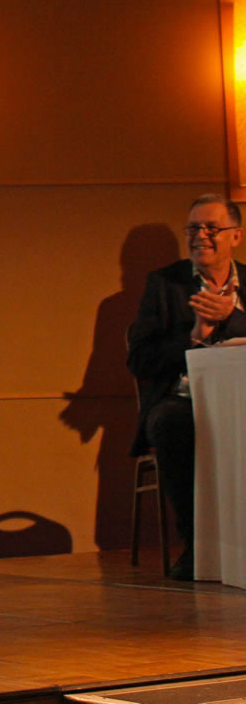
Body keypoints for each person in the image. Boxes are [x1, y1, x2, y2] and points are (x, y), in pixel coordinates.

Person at [127, 193, 246, 581]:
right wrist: (194, 336)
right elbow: (140, 359)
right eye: (194, 228)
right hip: (182, 401)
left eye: (212, 228)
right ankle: (198, 545)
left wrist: (233, 318)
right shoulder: (164, 284)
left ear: (236, 236)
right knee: (173, 425)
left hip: (240, 403)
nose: (201, 237)